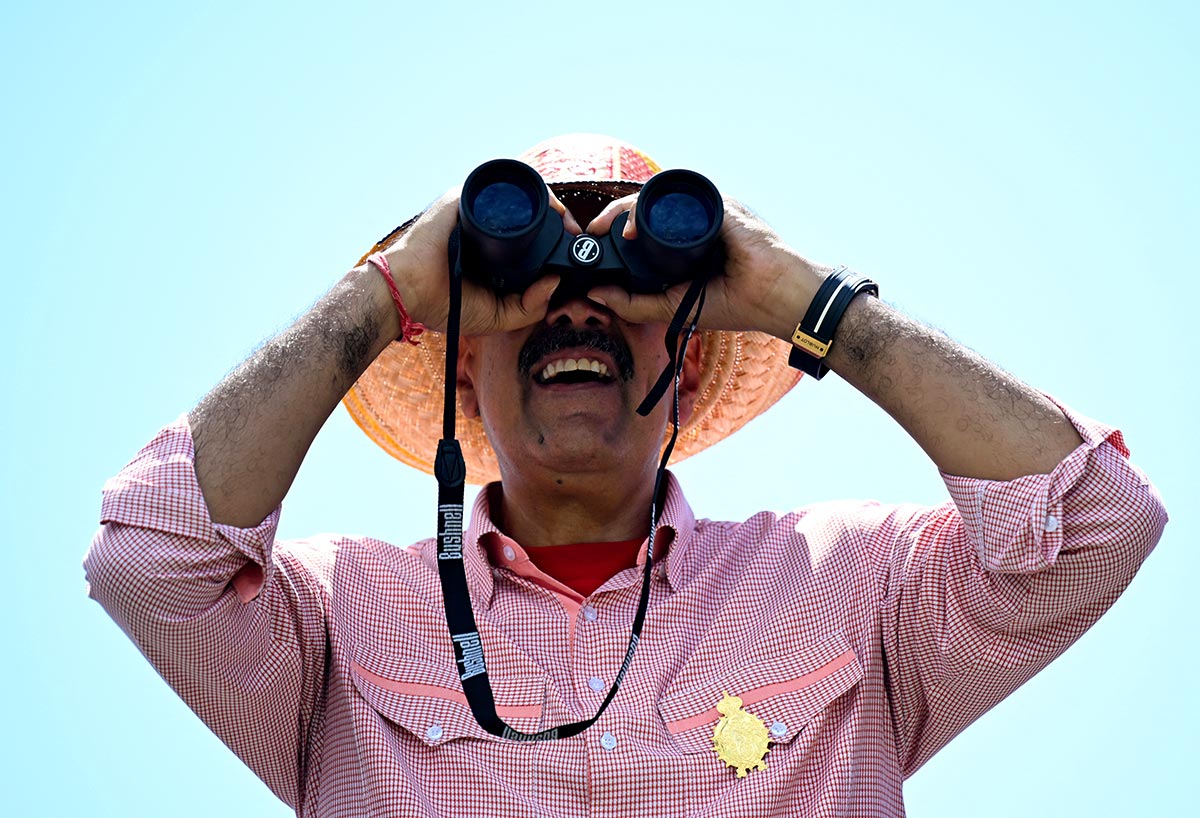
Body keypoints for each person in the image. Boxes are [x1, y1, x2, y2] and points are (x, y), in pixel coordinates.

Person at [85, 134, 1167, 817]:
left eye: (630, 289)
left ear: (687, 364)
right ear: (465, 376)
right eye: (533, 280)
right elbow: (148, 562)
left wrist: (806, 300)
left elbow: (1098, 521)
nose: (577, 304)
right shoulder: (336, 615)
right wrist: (388, 292)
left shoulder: (854, 583)